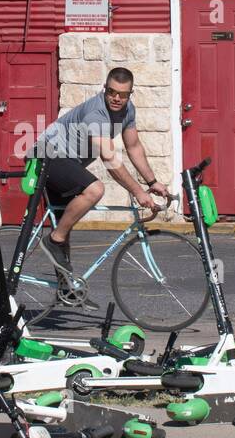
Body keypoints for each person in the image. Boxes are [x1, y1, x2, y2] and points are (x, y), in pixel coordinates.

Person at [33, 67, 168, 284]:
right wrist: (138, 191)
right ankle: (53, 241)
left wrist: (152, 182)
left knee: (64, 226)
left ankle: (66, 288)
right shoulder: (96, 114)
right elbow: (109, 159)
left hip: (68, 162)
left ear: (130, 94)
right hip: (47, 155)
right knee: (95, 190)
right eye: (112, 92)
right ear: (104, 88)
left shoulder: (127, 110)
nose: (116, 98)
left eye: (123, 94)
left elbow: (133, 146)